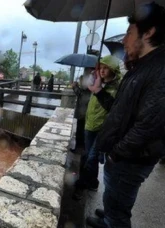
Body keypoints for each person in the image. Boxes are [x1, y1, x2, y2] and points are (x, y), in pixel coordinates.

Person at [86, 3, 165, 228]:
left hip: (130, 159)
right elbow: (120, 111)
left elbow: (149, 126)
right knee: (114, 198)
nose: (123, 41)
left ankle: (112, 219)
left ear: (148, 33)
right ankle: (109, 215)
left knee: (119, 212)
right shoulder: (141, 67)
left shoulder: (159, 69)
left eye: (129, 33)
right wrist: (98, 91)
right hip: (125, 156)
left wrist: (115, 154)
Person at [72, 55, 122, 200]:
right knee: (89, 156)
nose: (103, 71)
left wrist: (98, 89)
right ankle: (93, 182)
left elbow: (112, 108)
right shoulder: (96, 84)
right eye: (101, 67)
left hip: (102, 129)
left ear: (113, 70)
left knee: (91, 157)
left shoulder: (116, 89)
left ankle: (81, 186)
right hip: (90, 125)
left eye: (106, 68)